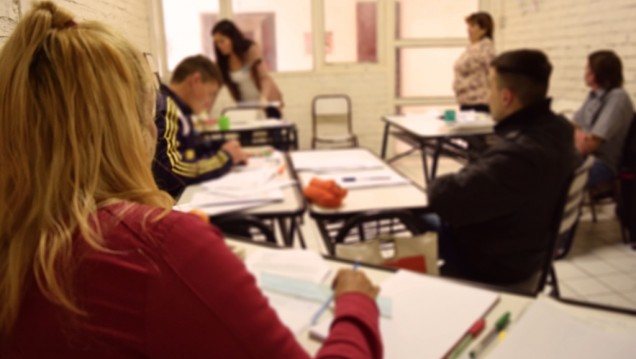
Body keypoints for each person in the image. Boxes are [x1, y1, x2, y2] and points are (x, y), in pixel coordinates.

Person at [0, 3, 383, 358]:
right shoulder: (154, 245)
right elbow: (177, 171)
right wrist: (356, 304)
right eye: (146, 115)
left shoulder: (20, 242)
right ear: (128, 129)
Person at [424, 49, 579, 285]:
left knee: (415, 219)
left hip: (496, 263)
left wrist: (440, 181)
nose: (487, 98)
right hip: (530, 246)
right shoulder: (561, 130)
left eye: (490, 89)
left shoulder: (517, 154)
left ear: (506, 97)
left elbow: (444, 197)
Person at [153, 55, 249, 198]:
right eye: (211, 94)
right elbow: (171, 171)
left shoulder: (180, 110)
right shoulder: (167, 108)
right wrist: (224, 158)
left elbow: (190, 150)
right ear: (195, 80)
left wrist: (222, 146)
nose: (210, 102)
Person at [572, 50, 634, 187]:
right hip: (581, 157)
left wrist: (578, 135)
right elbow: (573, 125)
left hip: (601, 164)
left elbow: (588, 146)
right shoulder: (593, 95)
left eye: (588, 68)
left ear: (596, 73)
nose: (585, 72)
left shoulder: (617, 98)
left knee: (549, 176)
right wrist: (580, 134)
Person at [212, 19, 283, 115]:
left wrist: (263, 98)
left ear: (232, 38)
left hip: (266, 101)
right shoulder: (222, 63)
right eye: (216, 43)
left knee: (272, 127)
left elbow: (264, 78)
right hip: (245, 106)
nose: (220, 46)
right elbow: (215, 88)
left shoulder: (250, 50)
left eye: (222, 41)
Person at [453, 12, 496, 113]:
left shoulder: (486, 49)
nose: (468, 29)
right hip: (467, 102)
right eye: (468, 26)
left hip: (479, 103)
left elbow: (492, 74)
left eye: (473, 26)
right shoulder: (472, 48)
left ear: (484, 29)